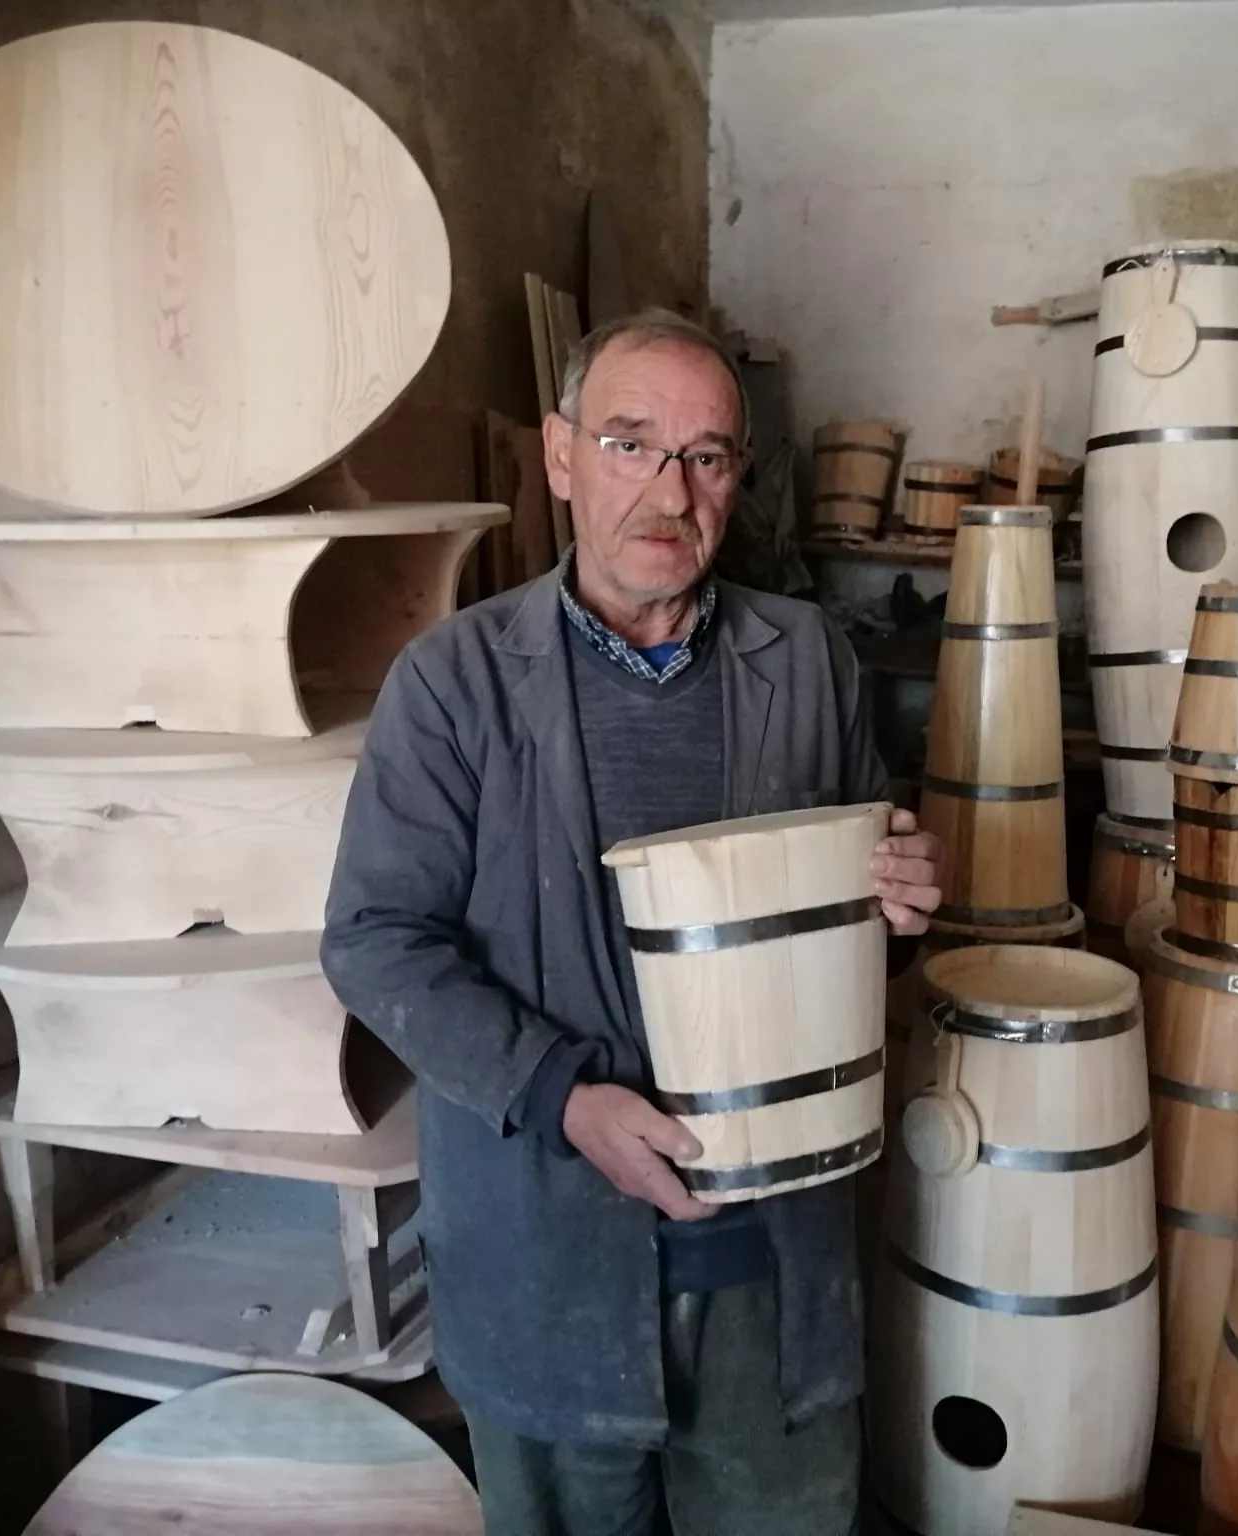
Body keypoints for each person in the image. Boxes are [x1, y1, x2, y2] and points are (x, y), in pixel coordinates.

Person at [321, 309, 943, 1536]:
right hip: (547, 1249)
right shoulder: (453, 683)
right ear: (560, 456)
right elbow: (376, 940)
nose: (670, 492)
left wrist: (900, 903)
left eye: (706, 456)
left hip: (767, 1259)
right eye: (629, 444)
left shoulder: (806, 658)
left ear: (737, 477)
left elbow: (853, 922)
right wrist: (561, 1097)